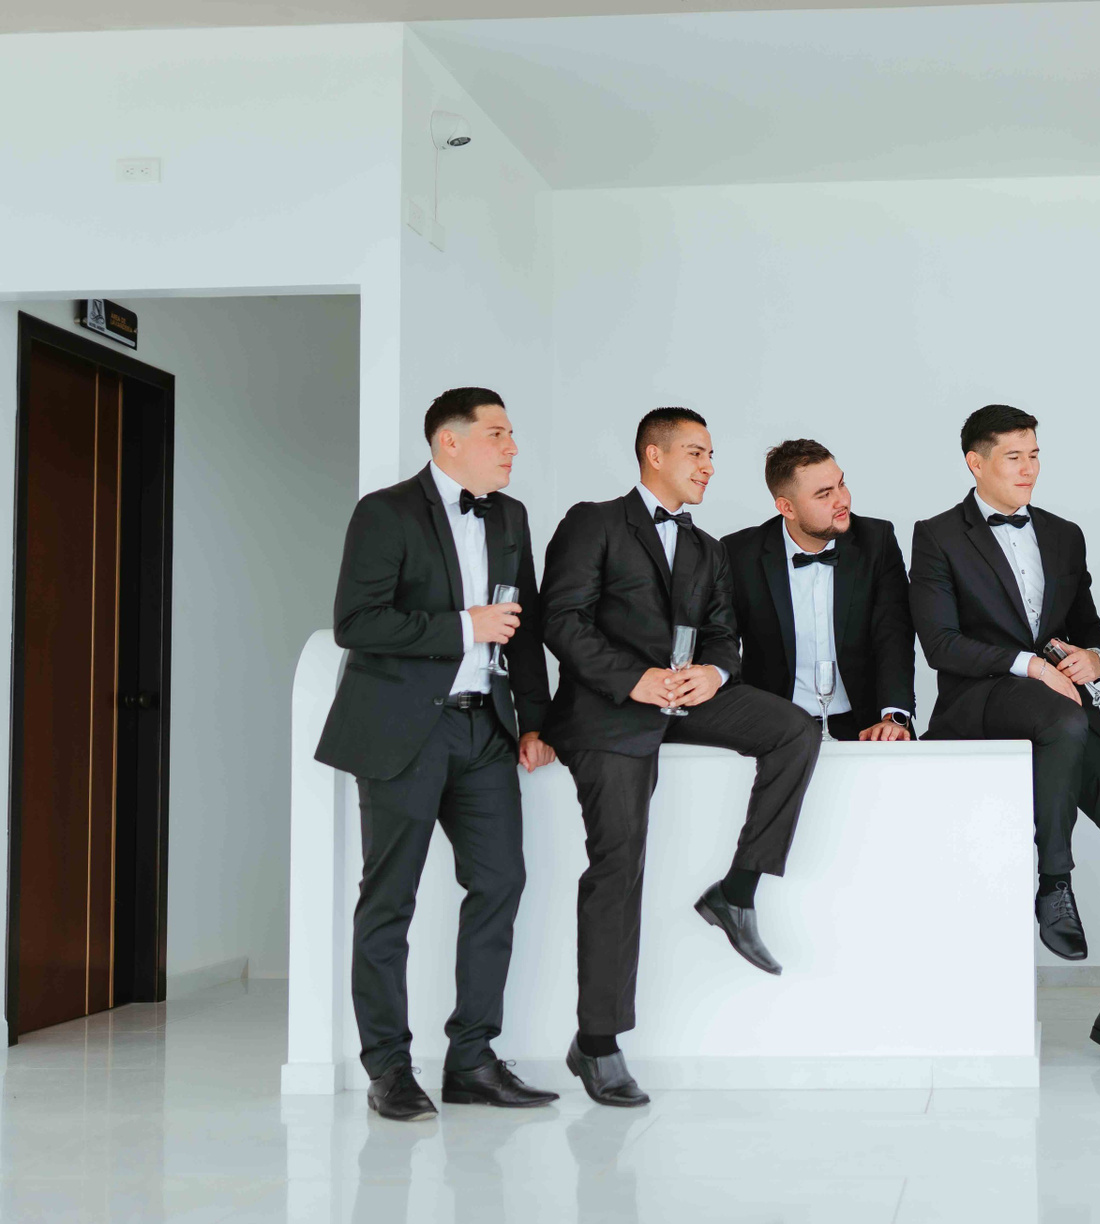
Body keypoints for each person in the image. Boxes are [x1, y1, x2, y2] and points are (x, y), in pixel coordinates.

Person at [540, 406, 821, 1107]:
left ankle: (737, 891)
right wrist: (632, 679)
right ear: (654, 454)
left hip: (683, 699)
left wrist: (714, 675)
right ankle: (597, 1044)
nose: (709, 466)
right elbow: (562, 621)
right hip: (609, 710)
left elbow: (724, 634)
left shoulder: (707, 549)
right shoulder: (594, 522)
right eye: (697, 452)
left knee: (794, 730)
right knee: (620, 864)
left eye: (711, 454)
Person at [316, 386, 559, 1121]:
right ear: (449, 441)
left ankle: (472, 1060)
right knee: (389, 899)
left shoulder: (511, 516)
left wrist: (534, 722)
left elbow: (525, 627)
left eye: (511, 434)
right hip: (403, 732)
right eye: (497, 434)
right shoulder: (385, 512)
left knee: (501, 882)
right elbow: (356, 622)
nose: (512, 447)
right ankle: (388, 1067)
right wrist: (463, 626)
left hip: (485, 730)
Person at [909, 404, 1100, 1067]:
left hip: (1062, 707)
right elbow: (940, 644)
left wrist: (1092, 660)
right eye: (1013, 457)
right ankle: (1055, 881)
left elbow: (1089, 627)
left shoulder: (1063, 534)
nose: (1028, 469)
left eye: (1034, 456)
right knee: (1062, 717)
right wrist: (1029, 666)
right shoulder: (937, 535)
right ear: (976, 463)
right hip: (979, 701)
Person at [721, 439, 915, 741]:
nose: (842, 500)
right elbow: (722, 639)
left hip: (866, 724)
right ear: (787, 507)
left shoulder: (877, 541)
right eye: (824, 494)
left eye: (841, 485)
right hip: (773, 727)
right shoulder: (739, 553)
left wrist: (894, 717)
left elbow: (894, 635)